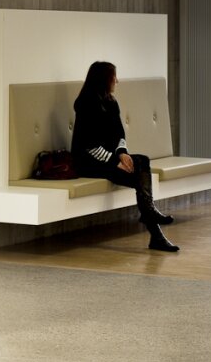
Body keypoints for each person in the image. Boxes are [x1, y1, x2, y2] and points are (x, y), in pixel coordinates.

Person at [71, 60, 176, 253]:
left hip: (108, 159)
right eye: (114, 77)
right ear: (104, 79)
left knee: (142, 161)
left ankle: (152, 222)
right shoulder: (85, 103)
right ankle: (153, 226)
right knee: (138, 178)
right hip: (87, 162)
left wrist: (122, 154)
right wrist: (114, 161)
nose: (117, 81)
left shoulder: (111, 102)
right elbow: (89, 146)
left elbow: (120, 133)